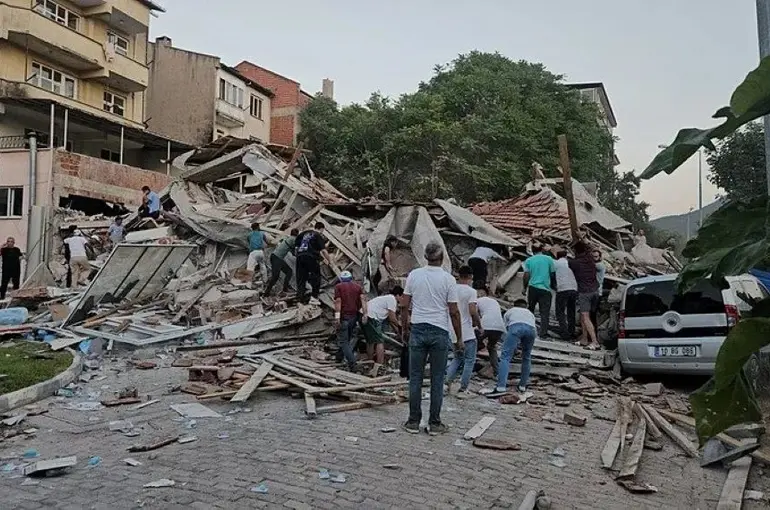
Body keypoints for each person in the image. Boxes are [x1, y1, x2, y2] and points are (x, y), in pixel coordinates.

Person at [401, 242, 462, 435]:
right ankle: (435, 423)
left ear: (425, 257)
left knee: (415, 378)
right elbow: (453, 311)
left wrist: (404, 328)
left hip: (418, 329)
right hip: (439, 331)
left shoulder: (414, 275)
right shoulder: (448, 279)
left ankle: (413, 421)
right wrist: (459, 338)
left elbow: (404, 305)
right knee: (437, 378)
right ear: (442, 257)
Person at [480, 299, 537, 398]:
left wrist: (511, 346)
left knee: (505, 357)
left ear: (514, 305)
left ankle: (501, 387)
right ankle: (522, 386)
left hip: (515, 327)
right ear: (526, 306)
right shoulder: (530, 313)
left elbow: (506, 329)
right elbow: (533, 327)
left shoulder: (510, 311)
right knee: (527, 357)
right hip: (531, 330)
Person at [445, 266, 482, 398]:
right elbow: (473, 311)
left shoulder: (451, 289)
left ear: (458, 276)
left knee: (457, 357)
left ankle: (446, 383)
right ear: (470, 277)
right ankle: (463, 387)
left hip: (452, 330)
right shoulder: (471, 291)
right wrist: (479, 324)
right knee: (469, 360)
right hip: (466, 331)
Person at [569, 241, 600, 350]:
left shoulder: (574, 263)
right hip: (595, 291)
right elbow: (589, 248)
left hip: (585, 292)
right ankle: (584, 339)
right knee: (584, 316)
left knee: (586, 317)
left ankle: (595, 342)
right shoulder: (590, 259)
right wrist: (581, 238)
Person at [334, 270, 367, 371]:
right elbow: (363, 300)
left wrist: (337, 317)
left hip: (344, 317)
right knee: (347, 338)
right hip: (354, 317)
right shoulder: (357, 287)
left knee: (344, 341)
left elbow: (338, 301)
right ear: (351, 278)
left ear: (341, 279)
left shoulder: (338, 287)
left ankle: (352, 362)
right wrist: (365, 314)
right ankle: (339, 357)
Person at [362, 286, 403, 364]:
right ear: (397, 295)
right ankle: (379, 364)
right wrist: (400, 327)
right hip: (372, 316)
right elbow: (392, 318)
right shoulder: (392, 299)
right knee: (379, 341)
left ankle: (370, 362)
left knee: (370, 341)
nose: (402, 300)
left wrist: (398, 331)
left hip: (365, 314)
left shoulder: (386, 298)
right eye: (402, 297)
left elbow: (391, 322)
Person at [523, 243, 555, 338]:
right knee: (544, 313)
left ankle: (528, 330)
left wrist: (524, 287)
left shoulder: (529, 260)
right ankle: (543, 333)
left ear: (532, 250)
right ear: (542, 249)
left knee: (530, 310)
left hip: (532, 288)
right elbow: (553, 274)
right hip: (545, 289)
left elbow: (526, 275)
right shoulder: (549, 259)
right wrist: (553, 286)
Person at [295, 222, 331, 304]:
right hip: (310, 257)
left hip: (300, 256)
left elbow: (297, 247)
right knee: (316, 276)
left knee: (301, 278)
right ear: (321, 229)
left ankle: (300, 298)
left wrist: (321, 259)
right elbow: (324, 250)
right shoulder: (317, 235)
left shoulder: (304, 234)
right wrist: (329, 261)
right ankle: (314, 297)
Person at [475, 282, 505, 377]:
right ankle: (497, 371)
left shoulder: (477, 300)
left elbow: (474, 315)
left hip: (486, 324)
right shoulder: (494, 301)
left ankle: (465, 367)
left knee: (472, 344)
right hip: (499, 327)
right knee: (491, 347)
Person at [264, 229, 298, 296]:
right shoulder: (293, 239)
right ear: (296, 235)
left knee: (289, 271)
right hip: (277, 258)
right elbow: (297, 248)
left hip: (276, 257)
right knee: (275, 277)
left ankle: (285, 288)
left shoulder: (288, 238)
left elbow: (293, 252)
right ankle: (266, 293)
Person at [554, 250, 578, 340]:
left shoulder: (556, 263)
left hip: (562, 289)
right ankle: (572, 332)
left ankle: (564, 333)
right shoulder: (571, 263)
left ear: (557, 256)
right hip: (573, 288)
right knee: (571, 311)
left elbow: (552, 274)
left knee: (560, 311)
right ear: (566, 256)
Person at [592, 249, 607, 332]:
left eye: (596, 257)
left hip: (596, 292)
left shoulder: (599, 265)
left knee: (593, 314)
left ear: (600, 257)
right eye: (593, 257)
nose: (594, 258)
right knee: (591, 314)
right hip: (593, 291)